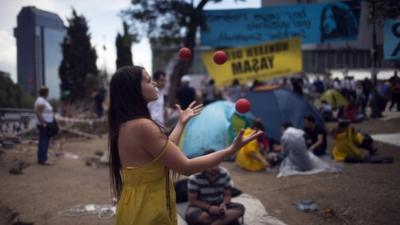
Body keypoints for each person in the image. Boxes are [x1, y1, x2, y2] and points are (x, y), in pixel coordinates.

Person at [108, 66, 263, 225]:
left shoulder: (125, 124)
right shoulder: (143, 126)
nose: (154, 83)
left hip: (135, 203)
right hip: (148, 207)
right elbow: (186, 167)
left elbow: (165, 151)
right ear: (133, 90)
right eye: (148, 80)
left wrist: (181, 123)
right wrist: (231, 150)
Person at [186, 150, 245, 225]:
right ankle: (223, 221)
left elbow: (227, 195)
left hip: (218, 204)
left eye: (216, 164)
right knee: (200, 216)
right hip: (201, 206)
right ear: (204, 164)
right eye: (211, 164)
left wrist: (223, 204)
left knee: (240, 208)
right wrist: (209, 208)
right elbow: (192, 201)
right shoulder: (195, 177)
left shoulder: (224, 173)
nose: (215, 168)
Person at [34, 86, 57, 165]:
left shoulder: (43, 100)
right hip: (44, 124)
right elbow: (38, 113)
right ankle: (43, 159)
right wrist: (43, 122)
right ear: (46, 93)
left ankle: (42, 158)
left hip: (46, 123)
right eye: (48, 92)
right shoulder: (41, 101)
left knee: (44, 141)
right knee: (44, 141)